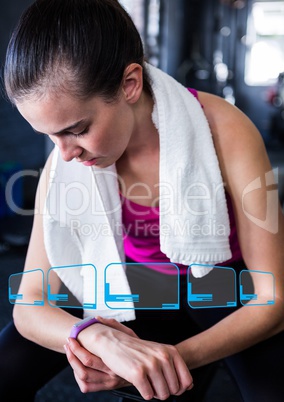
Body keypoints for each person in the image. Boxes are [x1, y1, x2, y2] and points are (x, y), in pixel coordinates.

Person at [1, 0, 284, 401]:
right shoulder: (63, 163)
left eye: (77, 129)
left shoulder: (228, 132)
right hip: (136, 281)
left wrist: (170, 359)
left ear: (130, 84)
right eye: (50, 135)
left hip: (222, 285)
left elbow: (275, 299)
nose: (64, 155)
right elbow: (28, 305)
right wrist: (94, 335)